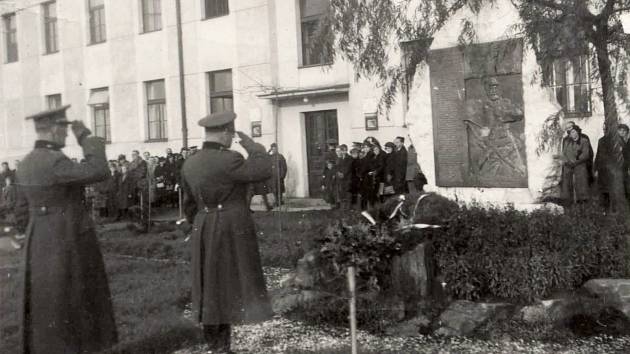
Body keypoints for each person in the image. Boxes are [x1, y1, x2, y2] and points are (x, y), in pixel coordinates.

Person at [14, 105, 117, 353]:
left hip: (38, 237)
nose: (66, 133)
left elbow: (20, 208)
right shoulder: (55, 161)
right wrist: (86, 138)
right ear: (51, 130)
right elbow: (99, 170)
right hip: (66, 235)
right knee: (72, 296)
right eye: (63, 128)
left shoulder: (26, 163)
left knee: (46, 298)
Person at [180, 112, 273, 353]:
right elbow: (264, 168)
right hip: (230, 226)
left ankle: (216, 345)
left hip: (203, 224)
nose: (232, 138)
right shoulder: (230, 159)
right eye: (231, 134)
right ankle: (222, 347)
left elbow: (189, 203)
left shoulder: (190, 161)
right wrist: (251, 144)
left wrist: (198, 223)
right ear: (225, 133)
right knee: (231, 282)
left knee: (209, 285)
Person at [561, 124, 593, 206]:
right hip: (569, 167)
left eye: (573, 132)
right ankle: (570, 204)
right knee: (568, 187)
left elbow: (585, 154)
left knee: (581, 187)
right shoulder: (567, 142)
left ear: (577, 131)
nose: (572, 134)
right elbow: (564, 153)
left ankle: (582, 204)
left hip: (580, 167)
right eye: (570, 133)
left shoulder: (584, 141)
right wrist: (567, 161)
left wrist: (575, 161)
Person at [268, 143, 288, 207]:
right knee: (274, 190)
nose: (274, 150)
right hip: (272, 177)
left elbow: (284, 167)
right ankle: (277, 201)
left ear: (277, 149)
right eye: (272, 149)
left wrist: (282, 175)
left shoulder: (280, 157)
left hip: (279, 176)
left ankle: (279, 201)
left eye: (275, 148)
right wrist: (268, 151)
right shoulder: (270, 157)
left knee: (279, 189)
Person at [335, 145, 353, 209]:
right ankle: (343, 207)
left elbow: (348, 167)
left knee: (348, 192)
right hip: (341, 178)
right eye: (342, 150)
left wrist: (343, 174)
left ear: (347, 150)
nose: (343, 152)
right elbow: (337, 167)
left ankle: (348, 207)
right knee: (342, 192)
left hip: (348, 178)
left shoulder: (350, 158)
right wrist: (338, 173)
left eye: (345, 150)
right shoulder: (340, 158)